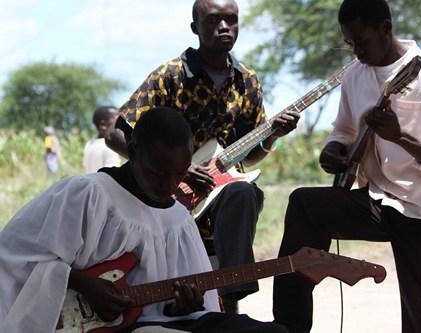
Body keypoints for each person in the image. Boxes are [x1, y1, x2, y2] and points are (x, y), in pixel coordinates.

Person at [0, 107, 288, 333]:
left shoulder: (178, 219)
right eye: (159, 173)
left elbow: (171, 311)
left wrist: (181, 307)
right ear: (134, 152)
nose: (169, 185)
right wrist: (83, 283)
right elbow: (13, 256)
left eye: (180, 174)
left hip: (151, 326)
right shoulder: (86, 194)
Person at [272, 0, 421, 332]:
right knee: (304, 204)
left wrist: (400, 136)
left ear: (386, 29)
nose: (357, 51)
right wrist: (333, 150)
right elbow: (344, 130)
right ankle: (288, 326)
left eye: (361, 42)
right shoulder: (354, 75)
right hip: (375, 199)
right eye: (350, 44)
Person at [105, 0, 300, 313]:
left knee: (244, 190)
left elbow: (246, 161)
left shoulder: (247, 81)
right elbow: (117, 133)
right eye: (212, 20)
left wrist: (273, 134)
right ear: (195, 27)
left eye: (231, 20)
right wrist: (176, 170)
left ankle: (234, 289)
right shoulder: (170, 76)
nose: (223, 27)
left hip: (222, 202)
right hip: (167, 199)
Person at [83, 105, 121, 173]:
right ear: (103, 124)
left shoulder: (89, 144)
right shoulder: (110, 145)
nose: (121, 123)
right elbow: (112, 175)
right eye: (118, 120)